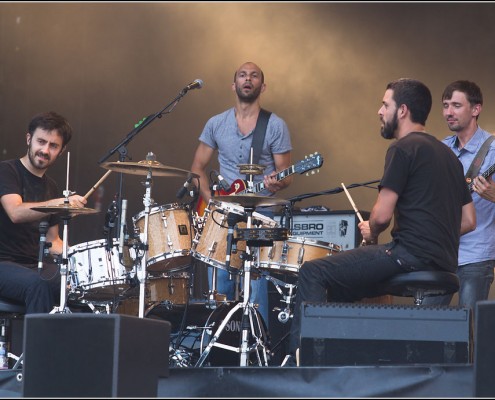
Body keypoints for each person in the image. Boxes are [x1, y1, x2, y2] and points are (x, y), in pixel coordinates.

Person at [286, 78, 476, 366]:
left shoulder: (403, 149)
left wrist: (371, 231)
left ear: (402, 110)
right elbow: (469, 220)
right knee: (343, 287)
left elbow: (381, 216)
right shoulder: (450, 157)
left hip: (408, 256)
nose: (379, 111)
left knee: (312, 273)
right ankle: (352, 360)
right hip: (443, 262)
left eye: (384, 104)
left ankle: (301, 363)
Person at [190, 61, 293, 326]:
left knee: (256, 281)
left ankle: (258, 343)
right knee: (220, 284)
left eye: (254, 76)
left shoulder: (275, 125)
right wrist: (211, 200)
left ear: (263, 86)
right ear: (233, 84)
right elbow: (197, 169)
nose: (248, 79)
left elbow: (287, 174)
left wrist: (276, 183)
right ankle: (216, 343)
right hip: (224, 214)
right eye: (242, 75)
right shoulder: (216, 123)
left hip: (262, 213)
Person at [0, 111, 87, 314]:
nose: (45, 150)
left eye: (53, 145)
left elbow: (53, 241)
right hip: (3, 263)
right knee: (38, 285)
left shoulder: (51, 186)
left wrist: (79, 262)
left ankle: (73, 346)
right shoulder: (7, 171)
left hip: (33, 265)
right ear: (29, 139)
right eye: (41, 141)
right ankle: (37, 347)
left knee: (80, 286)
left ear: (61, 150)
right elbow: (15, 212)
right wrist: (60, 203)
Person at [422, 81, 495, 314]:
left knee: (470, 330)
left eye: (456, 105)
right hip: (441, 252)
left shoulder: (493, 150)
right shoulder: (440, 148)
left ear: (476, 109)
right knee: (424, 323)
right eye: (445, 106)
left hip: (476, 254)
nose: (448, 113)